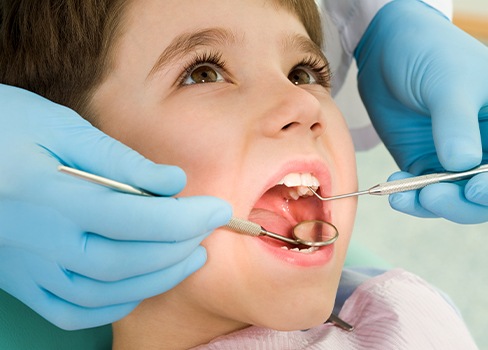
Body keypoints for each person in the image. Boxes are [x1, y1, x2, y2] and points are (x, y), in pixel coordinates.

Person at [3, 0, 479, 348]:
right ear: (72, 158)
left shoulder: (400, 308)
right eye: (204, 73)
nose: (303, 104)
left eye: (303, 71)